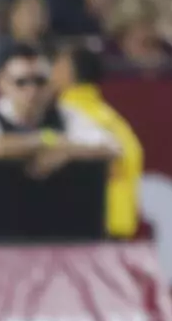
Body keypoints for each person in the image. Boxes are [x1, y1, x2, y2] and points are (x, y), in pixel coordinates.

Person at [0, 43, 121, 242]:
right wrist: (46, 141)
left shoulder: (66, 115)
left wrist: (67, 152)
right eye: (21, 82)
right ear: (1, 83)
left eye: (40, 81)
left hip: (59, 238)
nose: (32, 90)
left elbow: (112, 147)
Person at [52, 39, 144, 240]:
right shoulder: (115, 120)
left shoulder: (68, 116)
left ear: (69, 72)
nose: (51, 71)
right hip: (118, 226)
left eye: (56, 65)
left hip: (90, 227)